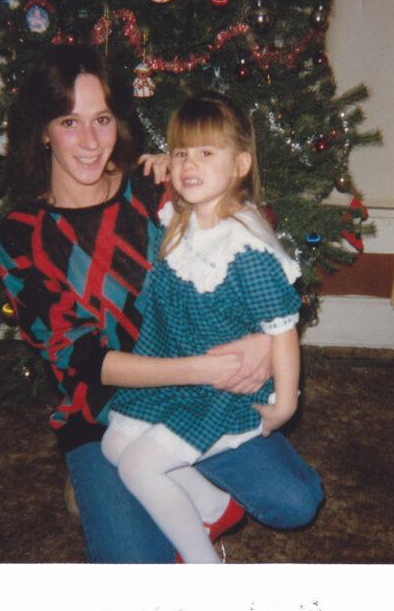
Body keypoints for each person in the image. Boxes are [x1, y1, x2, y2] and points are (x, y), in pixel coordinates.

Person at [0, 44, 323, 563]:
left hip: (202, 396)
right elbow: (84, 362)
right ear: (42, 129)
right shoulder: (23, 235)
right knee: (136, 570)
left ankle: (182, 493)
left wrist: (265, 341)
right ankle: (123, 488)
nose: (89, 142)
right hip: (102, 412)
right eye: (68, 121)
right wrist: (202, 368)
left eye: (101, 119)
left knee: (295, 499)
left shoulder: (155, 189)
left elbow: (250, 247)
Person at [100, 91, 307, 563]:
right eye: (181, 152)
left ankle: (203, 568)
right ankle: (215, 506)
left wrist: (285, 405)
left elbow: (283, 331)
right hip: (180, 371)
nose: (190, 164)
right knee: (113, 442)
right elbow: (138, 185)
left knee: (138, 466)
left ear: (240, 164)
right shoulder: (180, 214)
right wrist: (159, 163)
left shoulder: (245, 248)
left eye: (206, 153)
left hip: (224, 392)